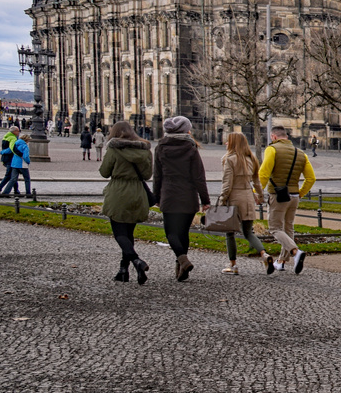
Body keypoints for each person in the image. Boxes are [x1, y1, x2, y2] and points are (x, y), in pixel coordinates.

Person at [152, 116, 210, 282]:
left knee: (171, 232)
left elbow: (157, 175)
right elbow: (199, 176)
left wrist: (156, 196)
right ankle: (181, 265)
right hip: (188, 195)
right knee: (183, 232)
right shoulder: (190, 147)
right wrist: (205, 199)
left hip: (169, 194)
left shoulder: (161, 147)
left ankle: (182, 262)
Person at [98, 121, 153, 283]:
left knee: (120, 233)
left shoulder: (114, 149)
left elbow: (104, 172)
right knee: (129, 233)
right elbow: (147, 175)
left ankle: (137, 261)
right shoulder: (144, 150)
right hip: (137, 192)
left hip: (118, 192)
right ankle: (123, 270)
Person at [258, 126, 316, 275]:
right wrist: (300, 193)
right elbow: (311, 178)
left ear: (274, 137)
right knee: (288, 228)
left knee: (275, 228)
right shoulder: (301, 153)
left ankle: (296, 252)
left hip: (278, 196)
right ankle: (281, 262)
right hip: (295, 195)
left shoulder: (272, 149)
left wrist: (256, 192)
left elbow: (264, 173)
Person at [217, 131, 266, 275]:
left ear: (233, 143)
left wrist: (222, 200)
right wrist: (260, 197)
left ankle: (233, 265)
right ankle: (264, 255)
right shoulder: (252, 159)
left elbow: (227, 183)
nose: (226, 143)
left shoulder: (230, 159)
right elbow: (257, 182)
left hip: (234, 198)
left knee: (230, 233)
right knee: (248, 232)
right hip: (248, 197)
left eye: (228, 141)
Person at [0, 125, 23, 197]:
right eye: (18, 131)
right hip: (10, 159)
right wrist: (20, 154)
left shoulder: (6, 136)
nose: (19, 132)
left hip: (5, 158)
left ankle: (16, 191)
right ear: (14, 132)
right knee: (9, 175)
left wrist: (3, 152)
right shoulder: (13, 138)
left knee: (13, 175)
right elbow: (12, 148)